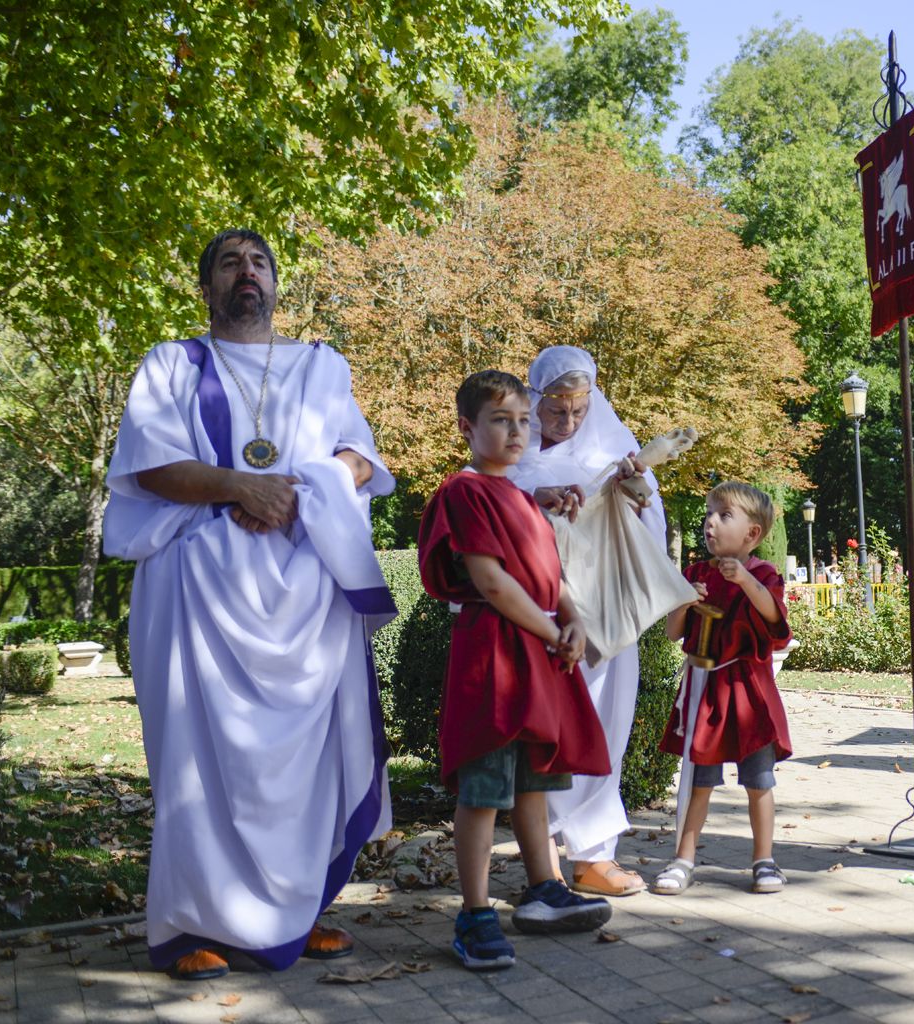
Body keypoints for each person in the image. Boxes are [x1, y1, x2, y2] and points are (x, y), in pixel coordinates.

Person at [103, 228, 397, 980]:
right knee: (198, 757)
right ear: (206, 286)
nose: (247, 273)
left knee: (305, 760)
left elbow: (361, 459)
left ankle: (297, 910)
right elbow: (152, 468)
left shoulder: (321, 366)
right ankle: (192, 924)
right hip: (198, 587)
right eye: (229, 263)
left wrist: (300, 488)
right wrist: (240, 485)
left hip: (303, 589)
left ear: (275, 282)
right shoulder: (170, 364)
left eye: (259, 262)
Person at [417, 370, 614, 971]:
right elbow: (492, 581)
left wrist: (574, 619)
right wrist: (554, 629)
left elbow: (551, 576)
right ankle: (474, 913)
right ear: (467, 427)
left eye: (524, 421)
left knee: (534, 778)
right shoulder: (465, 491)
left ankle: (542, 887)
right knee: (484, 787)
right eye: (501, 420)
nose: (517, 431)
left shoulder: (525, 500)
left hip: (539, 650)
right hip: (495, 654)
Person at [507, 346, 664, 898]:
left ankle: (594, 854)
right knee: (547, 727)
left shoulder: (613, 445)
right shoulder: (510, 452)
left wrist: (633, 489)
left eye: (578, 408)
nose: (568, 421)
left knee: (604, 724)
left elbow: (650, 518)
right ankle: (542, 853)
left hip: (604, 606)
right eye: (555, 409)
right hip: (541, 610)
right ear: (534, 401)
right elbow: (486, 504)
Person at [651, 482, 793, 896]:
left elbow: (775, 621)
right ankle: (683, 859)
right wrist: (685, 601)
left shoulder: (764, 574)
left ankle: (764, 860)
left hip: (748, 692)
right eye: (709, 514)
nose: (710, 523)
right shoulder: (695, 574)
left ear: (752, 534)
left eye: (723, 516)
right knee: (699, 778)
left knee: (759, 779)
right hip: (706, 692)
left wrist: (745, 580)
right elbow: (672, 632)